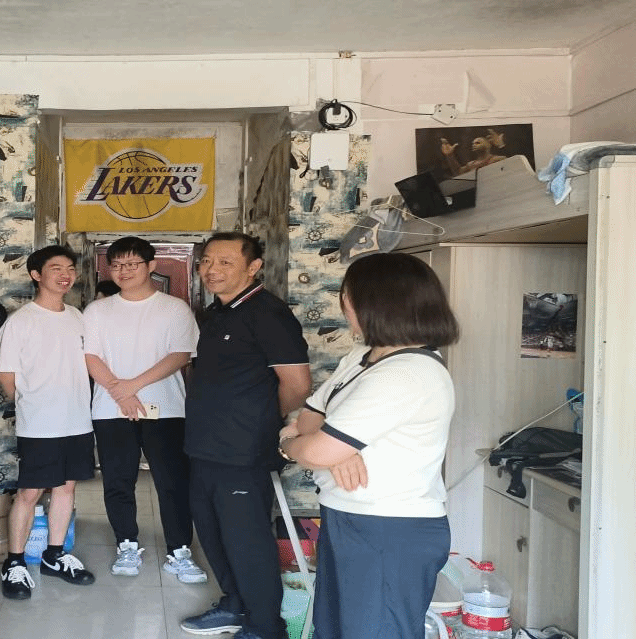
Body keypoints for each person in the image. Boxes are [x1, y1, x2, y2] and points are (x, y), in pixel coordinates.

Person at [278, 252, 459, 639]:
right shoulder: (363, 357)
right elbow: (310, 414)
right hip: (346, 515)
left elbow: (315, 448)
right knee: (334, 627)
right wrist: (329, 448)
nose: (344, 306)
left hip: (389, 527)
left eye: (347, 296)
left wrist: (293, 444)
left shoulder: (408, 372)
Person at [180, 232, 312, 639]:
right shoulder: (215, 313)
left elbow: (297, 385)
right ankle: (235, 604)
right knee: (212, 532)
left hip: (243, 450)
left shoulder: (268, 313)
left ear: (253, 268)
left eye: (225, 262)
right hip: (204, 445)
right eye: (206, 261)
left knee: (246, 540)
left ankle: (264, 626)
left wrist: (262, 419)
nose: (211, 270)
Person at [83, 236, 204, 582]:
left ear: (151, 266)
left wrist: (130, 386)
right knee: (118, 481)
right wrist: (120, 393)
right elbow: (90, 356)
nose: (123, 271)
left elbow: (181, 355)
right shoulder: (97, 311)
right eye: (116, 265)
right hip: (111, 410)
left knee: (172, 482)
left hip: (165, 409)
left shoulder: (175, 308)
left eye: (131, 264)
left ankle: (179, 551)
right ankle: (126, 544)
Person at [0, 245, 96, 600]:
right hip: (40, 423)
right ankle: (14, 562)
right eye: (56, 268)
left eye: (70, 268)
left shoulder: (78, 316)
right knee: (30, 492)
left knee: (66, 488)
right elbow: (6, 375)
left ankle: (55, 555)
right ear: (36, 275)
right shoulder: (20, 321)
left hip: (78, 419)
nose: (66, 275)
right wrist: (31, 405)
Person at [439, 129, 506, 177]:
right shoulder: (471, 164)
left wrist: (501, 145)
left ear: (488, 145)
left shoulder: (497, 159)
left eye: (478, 143)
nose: (474, 145)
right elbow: (458, 173)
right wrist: (450, 156)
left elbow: (509, 164)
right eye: (473, 143)